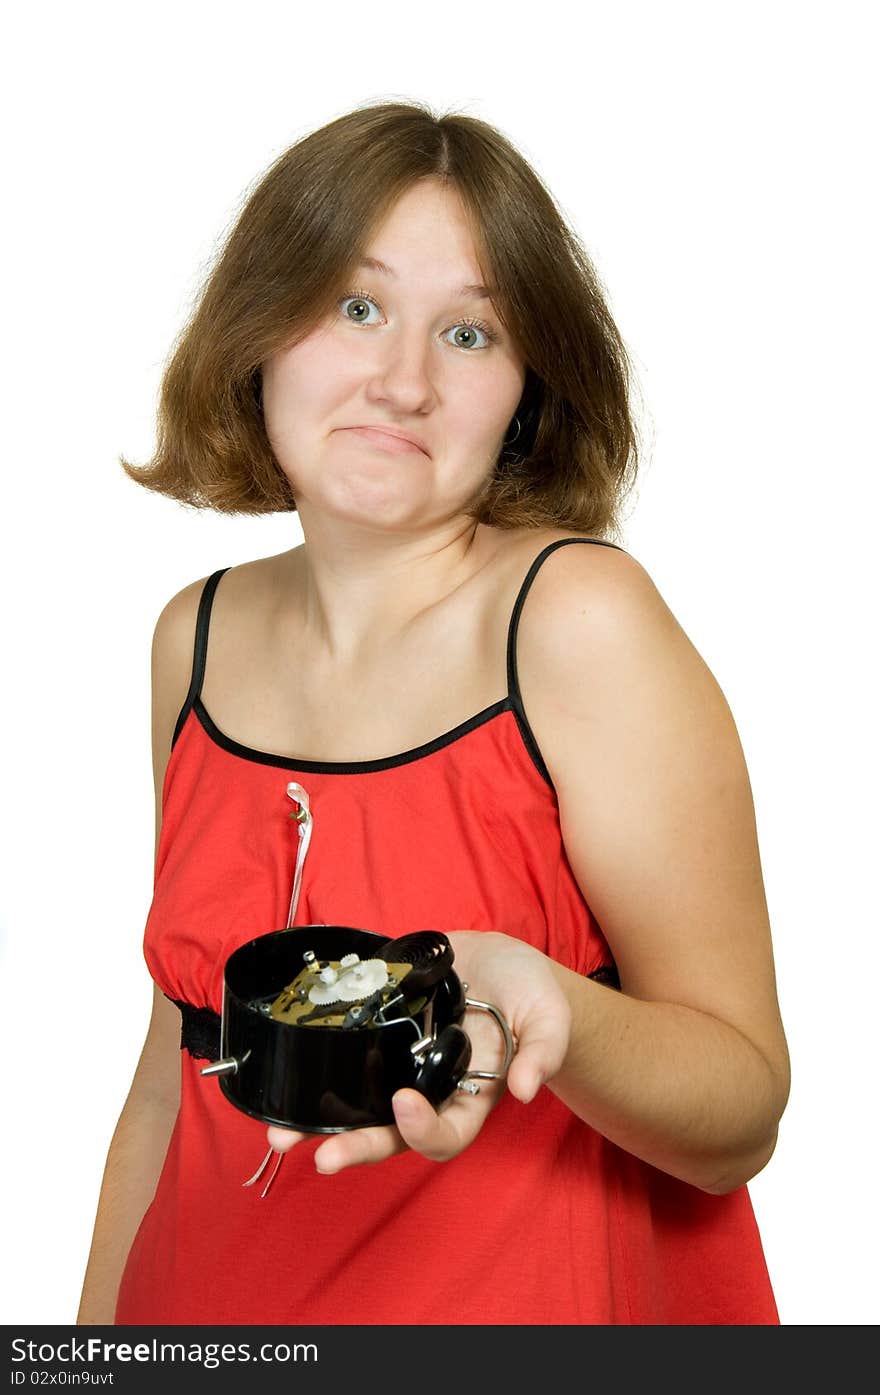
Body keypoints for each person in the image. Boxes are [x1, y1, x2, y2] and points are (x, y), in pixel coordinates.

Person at [77, 99, 790, 1326]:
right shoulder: (189, 639)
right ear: (259, 330)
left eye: (469, 334)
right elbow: (171, 1073)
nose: (401, 381)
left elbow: (739, 1114)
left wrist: (546, 1005)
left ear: (526, 390)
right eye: (358, 308)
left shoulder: (577, 621)